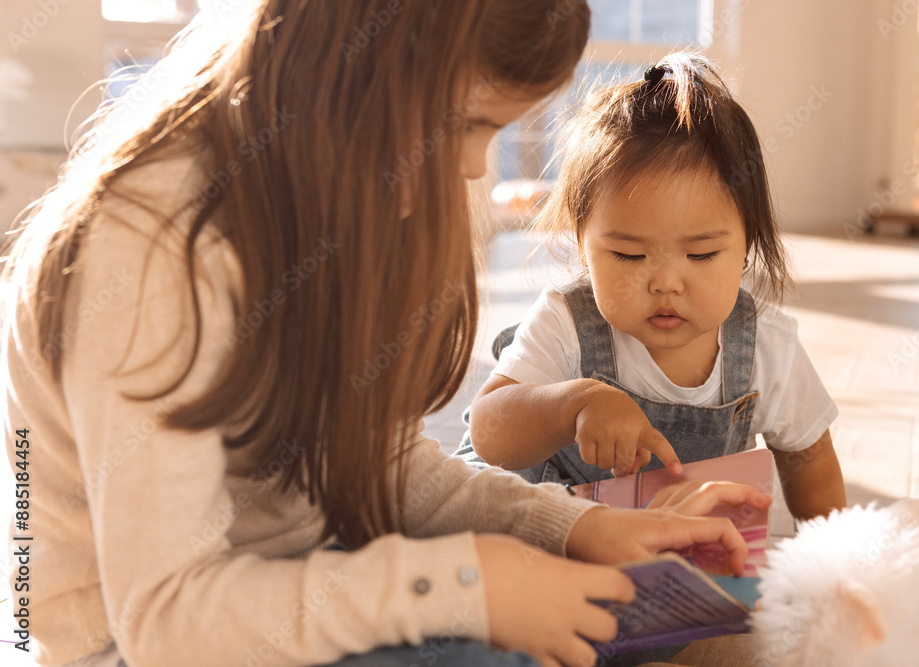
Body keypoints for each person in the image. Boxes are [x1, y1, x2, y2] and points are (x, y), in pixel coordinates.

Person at [1, 5, 772, 667]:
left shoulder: (319, 190)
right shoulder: (150, 246)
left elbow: (379, 469)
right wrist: (473, 581)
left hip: (299, 578)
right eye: (468, 125)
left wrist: (578, 526)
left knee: (578, 601)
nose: (475, 165)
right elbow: (169, 621)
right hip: (138, 643)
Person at [460, 52, 846, 522]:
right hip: (548, 532)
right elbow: (488, 429)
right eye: (629, 255)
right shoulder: (567, 322)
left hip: (672, 559)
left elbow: (811, 462)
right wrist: (575, 404)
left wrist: (830, 562)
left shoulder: (767, 345)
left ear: (747, 242)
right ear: (583, 247)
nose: (664, 283)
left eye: (701, 255)